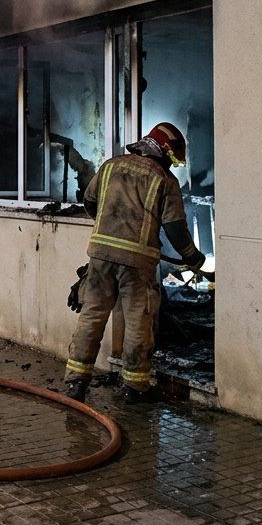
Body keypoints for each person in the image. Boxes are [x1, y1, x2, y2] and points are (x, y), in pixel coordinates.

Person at [64, 122, 206, 404]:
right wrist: (194, 257)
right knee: (138, 321)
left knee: (92, 316)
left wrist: (107, 230)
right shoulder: (164, 180)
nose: (172, 165)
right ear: (164, 151)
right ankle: (135, 387)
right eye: (173, 160)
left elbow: (89, 201)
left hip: (100, 256)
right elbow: (175, 228)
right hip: (136, 263)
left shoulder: (109, 166)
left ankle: (76, 384)